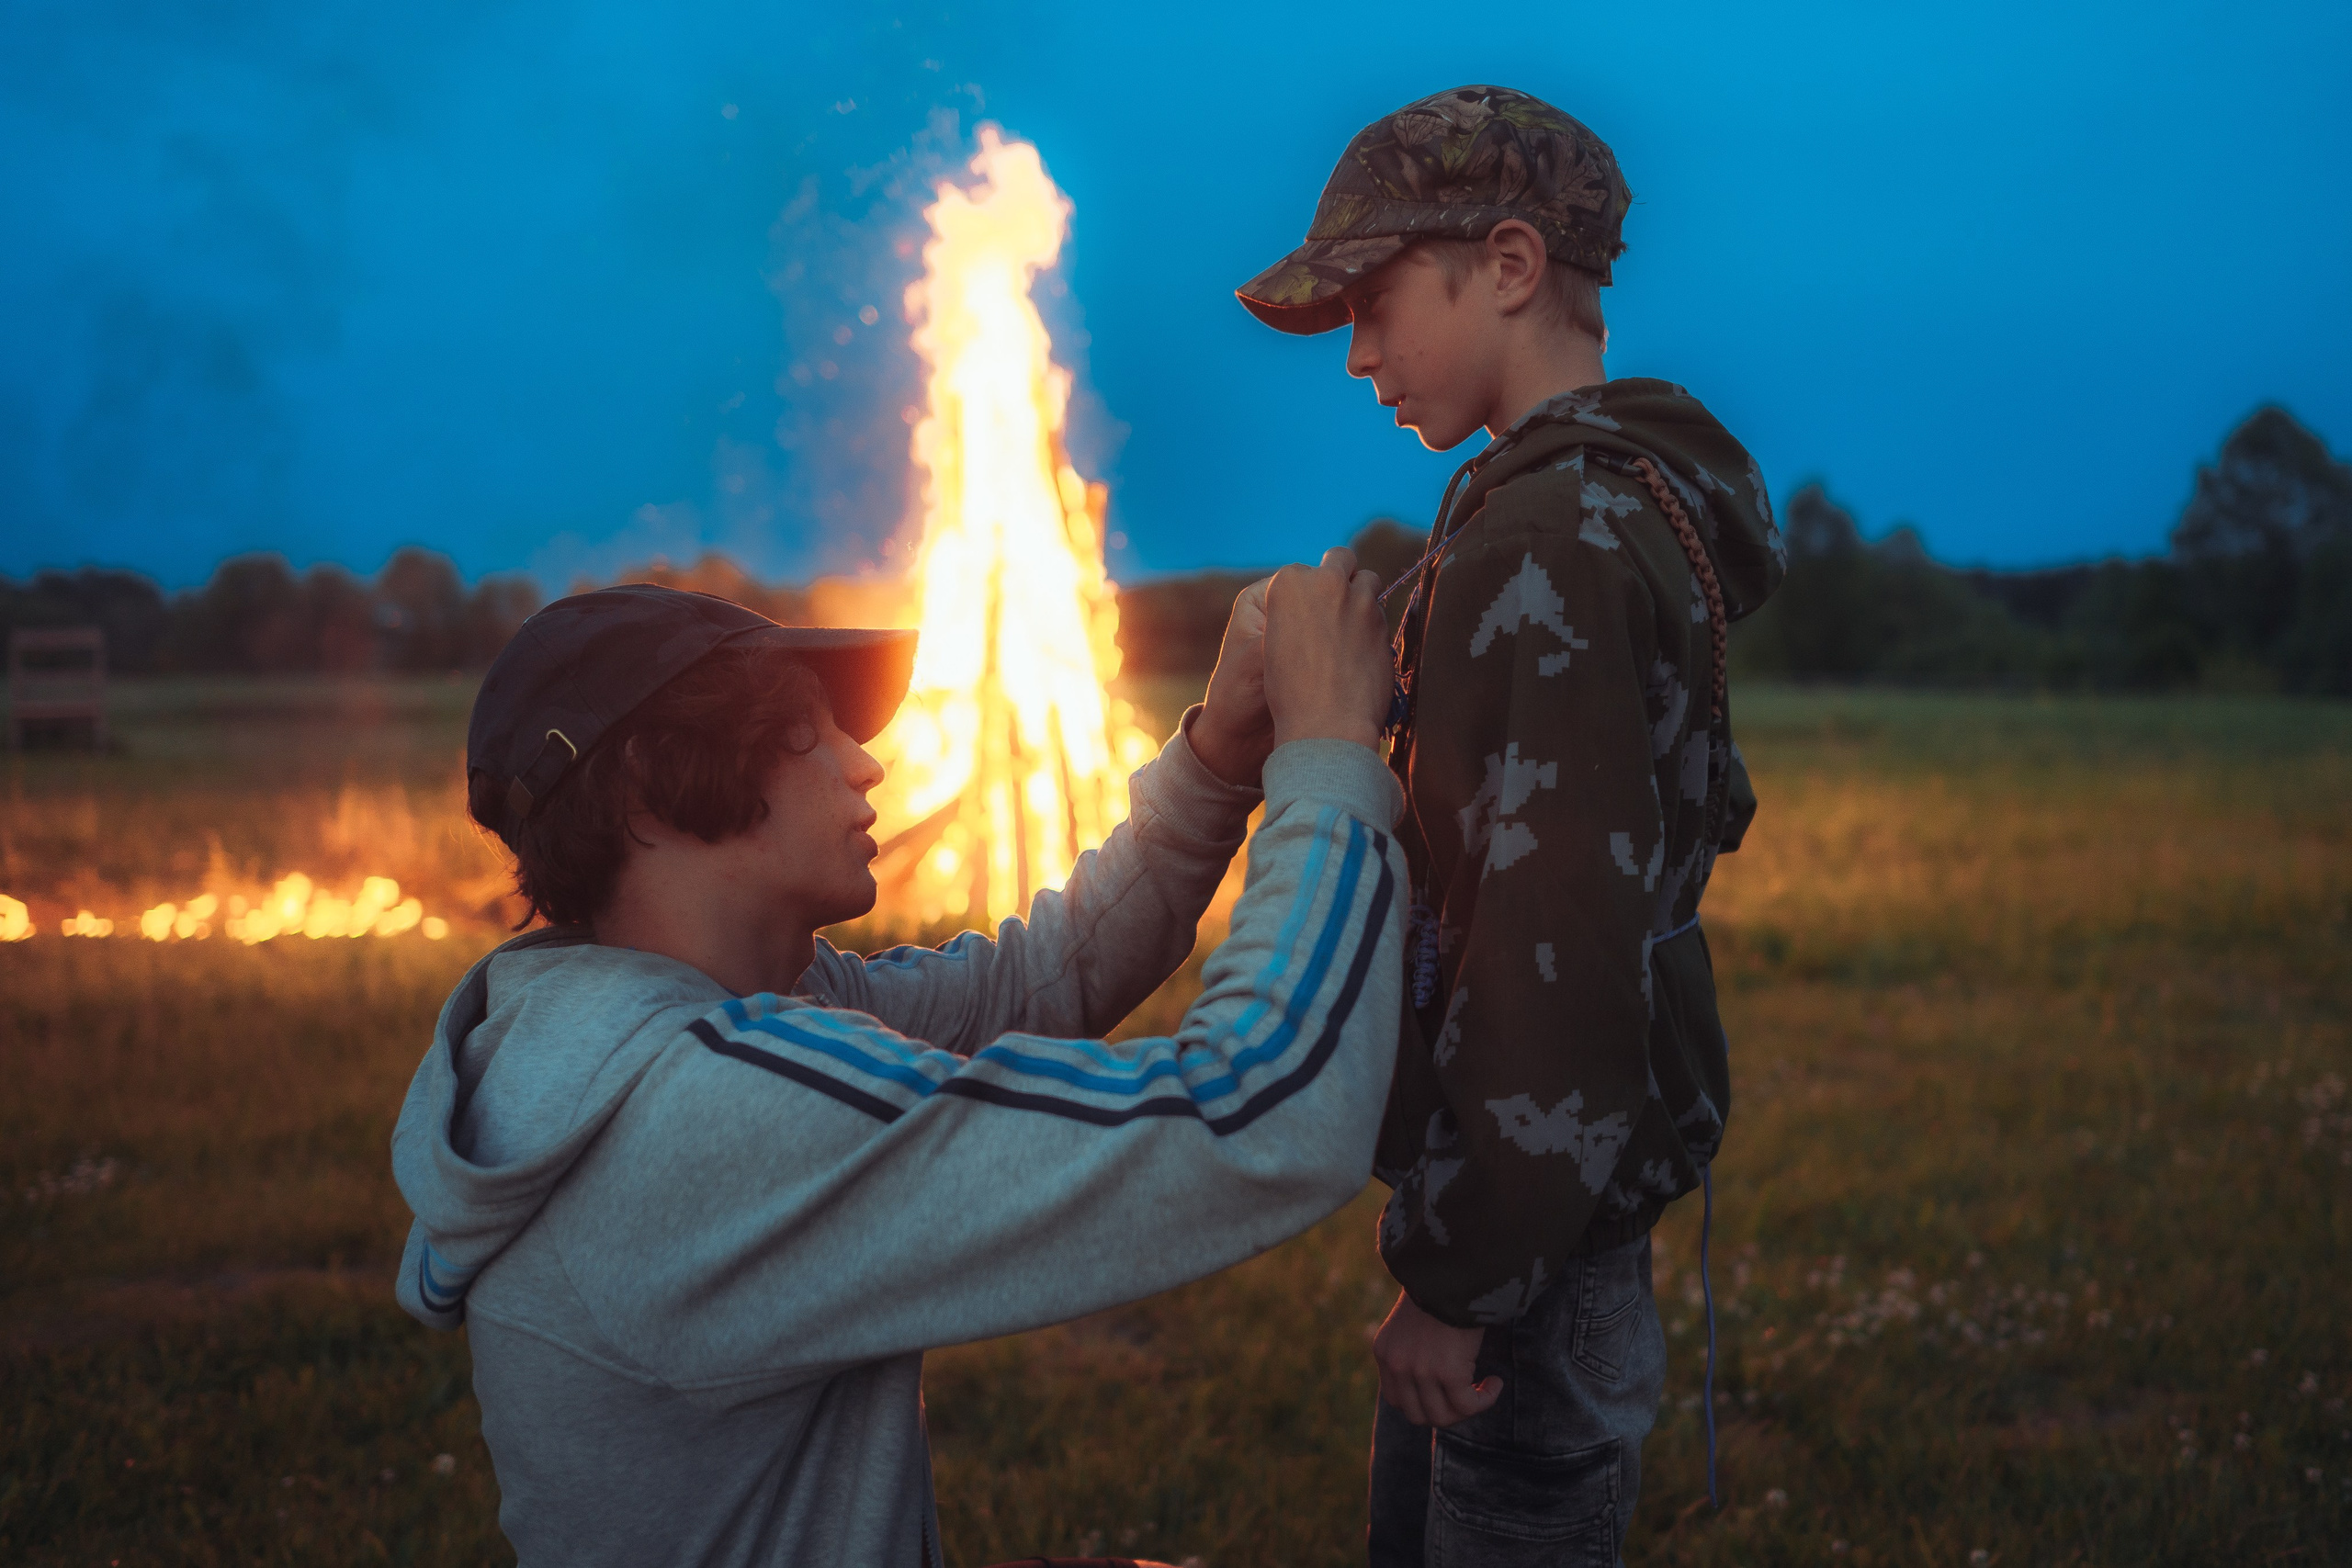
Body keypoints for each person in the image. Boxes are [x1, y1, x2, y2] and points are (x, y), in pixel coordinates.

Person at [391, 559, 1403, 1568]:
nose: (865, 764)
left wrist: (1221, 757)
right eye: (808, 731)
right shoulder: (706, 1114)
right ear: (652, 790)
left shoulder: (662, 1016)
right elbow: (1258, 1116)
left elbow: (1031, 986)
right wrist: (1324, 762)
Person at [1236, 85, 1789, 1562]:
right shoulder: (1613, 504)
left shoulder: (1548, 539)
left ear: (1510, 262)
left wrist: (1461, 1277)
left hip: (1529, 1235)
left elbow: (1550, 945)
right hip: (1559, 1199)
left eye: (1375, 301)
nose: (1356, 355)